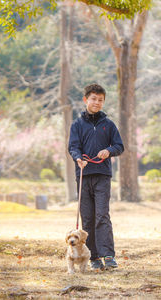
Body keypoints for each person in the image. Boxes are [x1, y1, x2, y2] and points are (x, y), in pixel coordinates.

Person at [68, 83, 124, 270]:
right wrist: (78, 158)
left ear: (103, 102)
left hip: (102, 175)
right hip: (83, 175)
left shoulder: (108, 125)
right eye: (93, 99)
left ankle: (108, 256)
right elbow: (73, 147)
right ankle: (93, 258)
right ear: (86, 100)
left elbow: (119, 146)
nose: (97, 102)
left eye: (100, 100)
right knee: (88, 218)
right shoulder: (77, 124)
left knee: (102, 215)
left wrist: (108, 151)